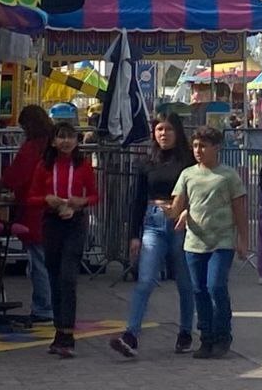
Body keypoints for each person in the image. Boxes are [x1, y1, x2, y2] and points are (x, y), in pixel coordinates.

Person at [110, 113, 197, 359]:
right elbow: (136, 200)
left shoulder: (189, 161)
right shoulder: (147, 162)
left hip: (181, 223)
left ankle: (185, 332)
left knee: (184, 282)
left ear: (178, 132)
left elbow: (197, 193)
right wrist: (133, 235)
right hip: (153, 221)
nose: (163, 134)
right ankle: (131, 335)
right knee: (146, 280)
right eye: (159, 129)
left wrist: (187, 212)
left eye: (168, 129)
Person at [169, 126, 249, 359]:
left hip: (222, 241)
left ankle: (223, 335)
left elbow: (240, 210)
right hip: (194, 242)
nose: (198, 150)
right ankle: (206, 338)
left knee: (216, 286)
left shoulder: (228, 175)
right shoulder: (188, 175)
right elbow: (178, 205)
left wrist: (243, 240)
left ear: (217, 148)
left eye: (203, 146)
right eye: (195, 146)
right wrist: (177, 212)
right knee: (199, 290)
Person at [28, 122, 98, 357]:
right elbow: (32, 197)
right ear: (53, 141)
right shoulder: (44, 166)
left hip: (75, 224)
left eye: (70, 137)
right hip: (52, 223)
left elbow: (96, 195)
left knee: (68, 277)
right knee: (55, 277)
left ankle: (68, 334)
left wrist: (81, 202)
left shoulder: (84, 166)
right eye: (61, 137)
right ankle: (59, 331)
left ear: (77, 141)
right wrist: (47, 199)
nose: (66, 141)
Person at [1, 105, 54, 324]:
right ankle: (52, 304)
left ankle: (43, 307)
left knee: (38, 262)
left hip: (35, 210)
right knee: (49, 261)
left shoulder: (31, 148)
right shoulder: (53, 144)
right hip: (54, 208)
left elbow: (16, 175)